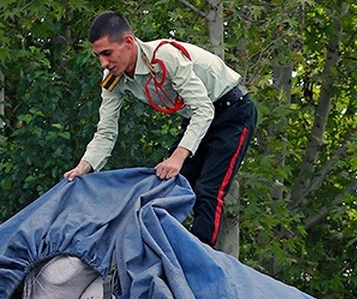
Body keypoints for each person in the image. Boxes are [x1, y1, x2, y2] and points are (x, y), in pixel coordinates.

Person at [64, 11, 257, 246]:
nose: (104, 63)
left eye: (107, 53)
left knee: (208, 191)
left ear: (128, 42)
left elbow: (203, 109)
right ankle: (159, 250)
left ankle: (199, 259)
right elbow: (106, 130)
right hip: (197, 119)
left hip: (232, 113)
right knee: (169, 186)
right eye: (98, 56)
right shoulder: (113, 79)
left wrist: (177, 158)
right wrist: (84, 167)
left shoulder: (164, 56)